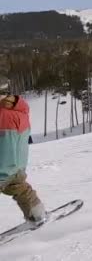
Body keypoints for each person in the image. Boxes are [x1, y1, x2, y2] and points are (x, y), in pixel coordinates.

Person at [0, 75, 47, 224]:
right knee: (20, 188)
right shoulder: (20, 110)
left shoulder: (2, 115)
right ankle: (37, 214)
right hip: (17, 168)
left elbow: (4, 146)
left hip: (3, 169)